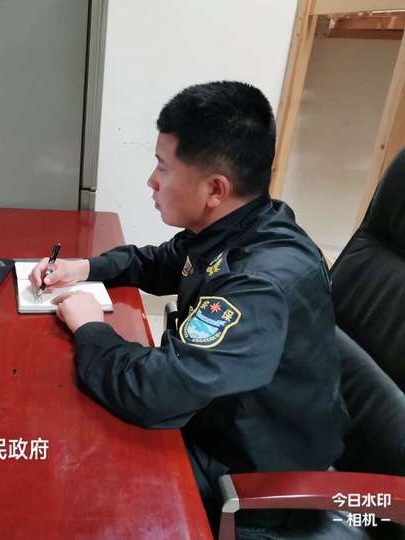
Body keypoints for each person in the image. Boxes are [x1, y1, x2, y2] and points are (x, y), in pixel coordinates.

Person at [29, 81, 350, 531]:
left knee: (78, 475)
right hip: (222, 417)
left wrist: (89, 327)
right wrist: (85, 267)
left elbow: (154, 390)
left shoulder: (259, 283)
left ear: (215, 189)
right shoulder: (241, 224)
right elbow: (162, 261)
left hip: (256, 478)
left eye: (163, 167)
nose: (151, 181)